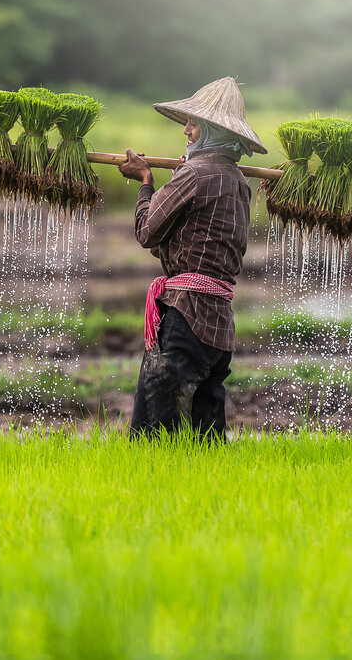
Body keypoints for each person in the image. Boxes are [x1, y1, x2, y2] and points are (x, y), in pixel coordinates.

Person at [117, 77, 268, 440]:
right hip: (218, 325)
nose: (186, 129)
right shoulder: (237, 181)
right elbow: (191, 241)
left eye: (193, 123)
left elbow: (147, 233)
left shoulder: (194, 174)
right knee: (205, 432)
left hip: (186, 315)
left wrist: (145, 181)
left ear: (212, 131)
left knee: (155, 427)